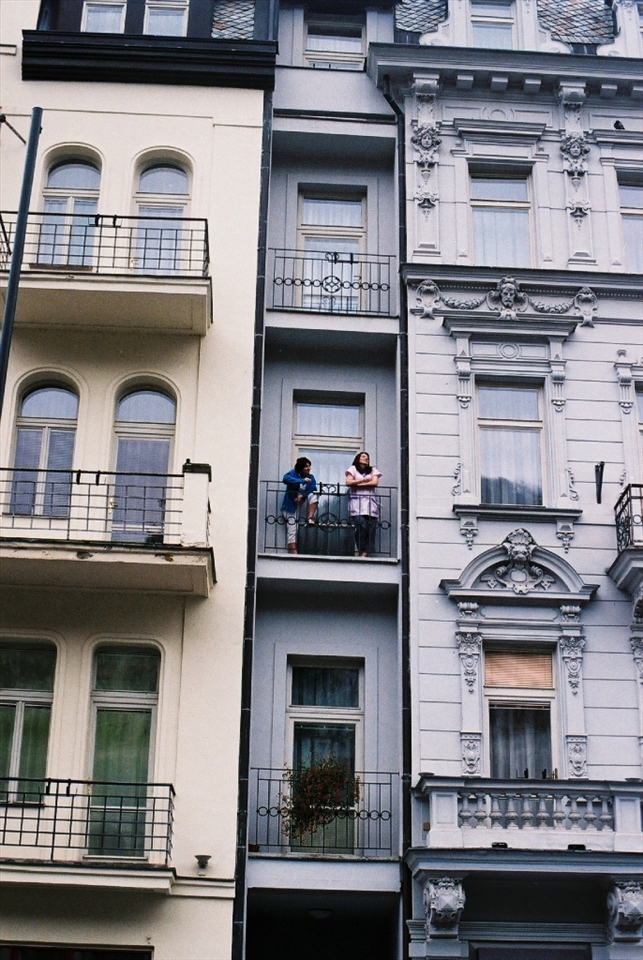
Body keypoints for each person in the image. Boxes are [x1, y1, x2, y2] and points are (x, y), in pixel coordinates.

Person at [345, 451, 382, 558]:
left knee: (371, 530)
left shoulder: (373, 470)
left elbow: (374, 483)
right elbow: (348, 482)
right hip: (357, 505)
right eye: (363, 456)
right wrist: (364, 481)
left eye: (367, 457)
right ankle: (361, 550)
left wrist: (358, 483)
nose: (366, 458)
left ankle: (364, 553)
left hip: (371, 505)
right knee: (362, 526)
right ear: (358, 458)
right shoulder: (352, 469)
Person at [281, 457, 318, 554]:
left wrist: (303, 496)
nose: (308, 468)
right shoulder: (293, 473)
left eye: (309, 466)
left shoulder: (311, 477)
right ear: (300, 467)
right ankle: (294, 554)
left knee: (315, 494)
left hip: (302, 504)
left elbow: (312, 488)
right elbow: (285, 479)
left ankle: (310, 518)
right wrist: (301, 481)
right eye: (306, 466)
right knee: (292, 530)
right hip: (290, 506)